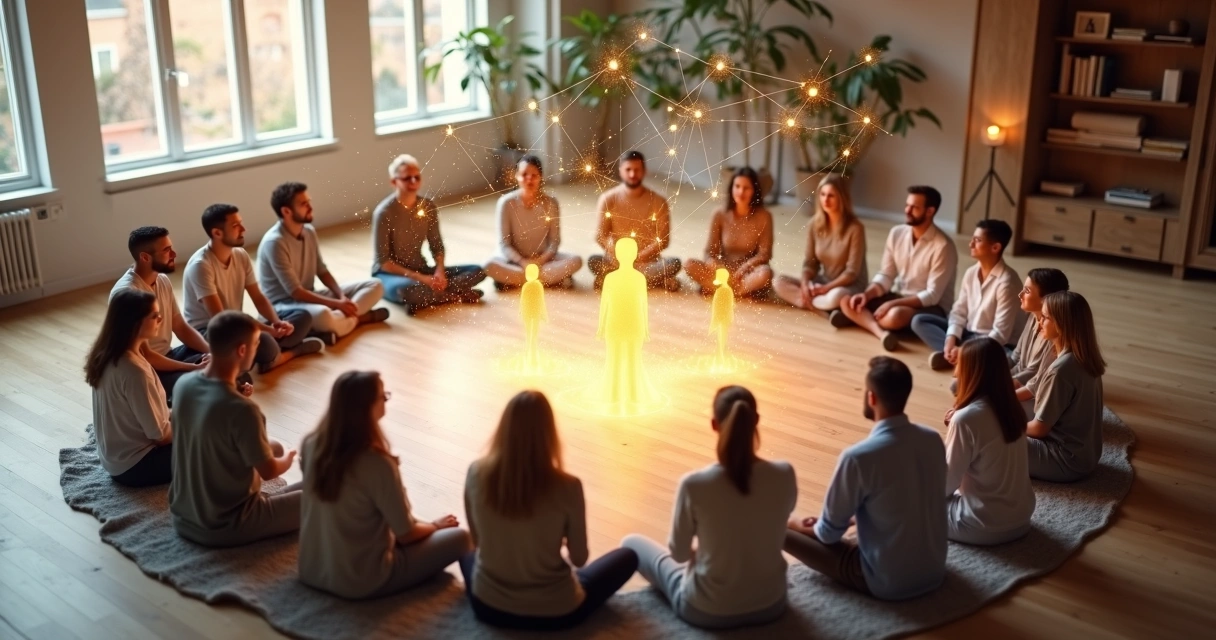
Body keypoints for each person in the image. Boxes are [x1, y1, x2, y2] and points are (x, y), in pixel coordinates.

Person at [460, 391, 638, 630]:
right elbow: (579, 559)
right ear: (549, 434)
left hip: (488, 606)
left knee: (462, 550)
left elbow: (477, 541)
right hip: (557, 611)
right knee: (628, 556)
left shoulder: (475, 473)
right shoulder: (568, 487)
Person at [622, 386, 796, 629]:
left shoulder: (694, 484)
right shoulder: (785, 474)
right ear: (756, 420)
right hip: (772, 605)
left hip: (706, 610)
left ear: (714, 424)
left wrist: (704, 552)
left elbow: (680, 554)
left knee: (632, 543)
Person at [784, 356, 947, 600]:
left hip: (888, 582)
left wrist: (794, 523)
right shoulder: (932, 439)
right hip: (935, 570)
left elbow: (828, 535)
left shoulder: (858, 457)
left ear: (871, 397)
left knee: (777, 524)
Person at [299, 371, 471, 599]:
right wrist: (435, 526)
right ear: (369, 407)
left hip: (310, 570)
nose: (386, 401)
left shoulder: (311, 445)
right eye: (384, 397)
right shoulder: (376, 462)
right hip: (361, 580)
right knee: (461, 537)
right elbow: (406, 534)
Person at [169, 311, 303, 547]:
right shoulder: (243, 410)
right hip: (226, 525)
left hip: (183, 517)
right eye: (256, 344)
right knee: (326, 497)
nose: (256, 349)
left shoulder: (183, 385)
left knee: (315, 486)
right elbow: (270, 471)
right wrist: (290, 456)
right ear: (242, 350)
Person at [182, 204, 322, 374]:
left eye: (241, 223)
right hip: (213, 331)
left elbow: (259, 297)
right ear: (217, 233)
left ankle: (265, 353)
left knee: (302, 316)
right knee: (264, 340)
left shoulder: (240, 255)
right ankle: (290, 352)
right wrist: (268, 331)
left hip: (239, 324)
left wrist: (277, 322)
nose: (243, 229)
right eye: (235, 226)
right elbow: (222, 319)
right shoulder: (201, 266)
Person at [256, 182, 389, 346]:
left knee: (375, 285)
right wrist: (336, 304)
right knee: (324, 314)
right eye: (304, 204)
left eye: (309, 202)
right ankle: (359, 319)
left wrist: (341, 296)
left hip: (309, 295)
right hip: (285, 306)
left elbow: (322, 270)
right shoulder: (274, 242)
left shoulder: (309, 231)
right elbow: (296, 292)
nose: (310, 207)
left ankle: (337, 326)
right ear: (286, 211)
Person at [834, 186, 958, 352]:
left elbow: (932, 296)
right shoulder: (896, 233)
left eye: (914, 207)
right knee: (847, 300)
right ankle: (881, 333)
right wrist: (866, 295)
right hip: (899, 296)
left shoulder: (943, 246)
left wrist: (892, 304)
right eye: (907, 205)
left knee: (894, 316)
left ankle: (861, 320)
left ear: (930, 211)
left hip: (930, 307)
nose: (907, 210)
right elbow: (886, 275)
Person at [942, 338, 1035, 545]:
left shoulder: (965, 419)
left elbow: (947, 483)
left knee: (908, 497)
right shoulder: (1013, 408)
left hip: (983, 525)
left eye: (959, 365)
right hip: (1021, 519)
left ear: (970, 372)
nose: (955, 373)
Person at [371, 154, 488, 313]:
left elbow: (436, 245)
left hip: (421, 269)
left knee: (477, 271)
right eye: (407, 178)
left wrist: (439, 271)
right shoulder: (384, 213)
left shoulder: (428, 206)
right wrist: (422, 278)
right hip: (391, 276)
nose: (413, 182)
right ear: (394, 182)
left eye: (416, 177)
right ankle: (455, 296)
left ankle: (430, 299)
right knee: (409, 291)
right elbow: (384, 262)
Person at [109, 226, 210, 399]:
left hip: (168, 356)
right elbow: (146, 356)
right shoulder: (128, 294)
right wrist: (193, 368)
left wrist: (213, 353)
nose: (174, 254)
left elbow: (180, 326)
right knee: (204, 382)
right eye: (166, 250)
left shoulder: (162, 280)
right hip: (147, 371)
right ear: (145, 257)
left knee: (223, 357)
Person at [85, 289, 174, 487]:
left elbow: (155, 416)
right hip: (136, 466)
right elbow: (160, 436)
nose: (160, 318)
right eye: (154, 315)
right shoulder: (134, 371)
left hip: (115, 460)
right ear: (135, 323)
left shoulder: (107, 354)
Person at [912, 219, 1024, 370]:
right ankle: (955, 356)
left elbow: (1000, 335)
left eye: (977, 240)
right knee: (919, 321)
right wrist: (950, 341)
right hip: (968, 335)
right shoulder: (971, 273)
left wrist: (965, 349)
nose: (970, 244)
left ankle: (962, 358)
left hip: (993, 343)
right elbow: (959, 311)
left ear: (995, 247)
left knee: (1007, 359)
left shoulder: (1007, 282)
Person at [1026, 291, 1106, 482]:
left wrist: (1000, 425)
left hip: (1065, 460)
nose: (1039, 322)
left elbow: (1039, 429)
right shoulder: (1081, 357)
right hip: (1087, 455)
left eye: (1044, 318)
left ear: (1062, 324)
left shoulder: (1062, 371)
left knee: (989, 436)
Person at [588, 150, 682, 291]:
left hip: (647, 262)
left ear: (644, 171)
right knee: (593, 261)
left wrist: (639, 257)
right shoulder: (608, 199)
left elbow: (663, 240)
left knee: (674, 263)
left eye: (637, 170)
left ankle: (616, 280)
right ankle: (652, 281)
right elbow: (601, 236)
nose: (632, 174)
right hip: (616, 261)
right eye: (628, 170)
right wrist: (618, 255)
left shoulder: (658, 201)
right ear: (621, 171)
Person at [485, 155, 583, 289]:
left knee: (576, 261)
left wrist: (539, 261)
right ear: (517, 176)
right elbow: (504, 244)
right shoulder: (506, 203)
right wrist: (523, 262)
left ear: (540, 177)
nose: (529, 179)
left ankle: (517, 280)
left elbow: (554, 242)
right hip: (515, 261)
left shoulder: (551, 203)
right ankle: (545, 279)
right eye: (524, 174)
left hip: (543, 261)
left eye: (534, 175)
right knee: (488, 266)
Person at [774, 174, 867, 312]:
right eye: (822, 195)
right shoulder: (814, 225)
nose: (825, 200)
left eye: (831, 195)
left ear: (842, 198)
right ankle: (821, 306)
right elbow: (810, 264)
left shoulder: (855, 228)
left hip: (848, 285)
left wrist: (826, 289)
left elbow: (852, 273)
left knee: (836, 296)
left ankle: (814, 303)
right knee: (778, 282)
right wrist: (805, 284)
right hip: (824, 281)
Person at [684, 167, 774, 297]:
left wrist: (744, 268)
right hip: (723, 270)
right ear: (731, 188)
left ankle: (725, 291)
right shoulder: (719, 214)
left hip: (747, 273)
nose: (740, 192)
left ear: (755, 190)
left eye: (746, 188)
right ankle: (735, 291)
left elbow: (764, 255)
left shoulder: (764, 216)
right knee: (689, 264)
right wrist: (713, 264)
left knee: (765, 273)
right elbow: (710, 252)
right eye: (737, 186)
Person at [1010, 268, 1070, 415]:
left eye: (1027, 291)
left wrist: (1001, 389)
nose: (1020, 294)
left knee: (996, 410)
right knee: (964, 385)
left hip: (1039, 394)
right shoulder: (1032, 317)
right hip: (1024, 383)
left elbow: (1035, 380)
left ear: (1046, 299)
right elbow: (1016, 357)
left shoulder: (1054, 331)